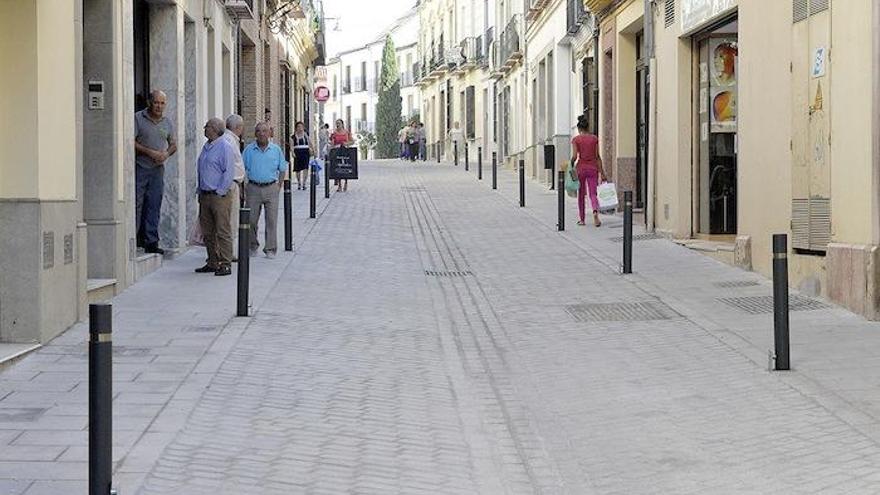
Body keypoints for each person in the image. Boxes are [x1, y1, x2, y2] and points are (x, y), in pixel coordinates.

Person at [134, 90, 177, 255]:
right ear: (149, 102)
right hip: (140, 167)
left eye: (162, 103)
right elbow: (131, 142)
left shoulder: (167, 123)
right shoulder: (138, 118)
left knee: (154, 204)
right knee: (137, 204)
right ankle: (134, 239)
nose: (159, 106)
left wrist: (166, 154)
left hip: (157, 170)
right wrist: (150, 152)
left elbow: (173, 144)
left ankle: (151, 242)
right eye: (156, 102)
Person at [195, 118, 237, 276]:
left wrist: (220, 191)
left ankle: (225, 263)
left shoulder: (225, 147)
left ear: (214, 129)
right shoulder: (206, 146)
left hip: (219, 196)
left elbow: (229, 172)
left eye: (207, 126)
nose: (204, 128)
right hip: (205, 195)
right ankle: (212, 261)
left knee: (222, 230)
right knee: (208, 232)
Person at [243, 122, 288, 259]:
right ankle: (252, 245)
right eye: (258, 131)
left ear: (269, 133)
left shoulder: (276, 150)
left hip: (271, 188)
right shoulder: (248, 150)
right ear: (255, 134)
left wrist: (279, 185)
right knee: (251, 220)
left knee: (271, 220)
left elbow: (282, 168)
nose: (261, 133)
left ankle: (270, 248)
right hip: (253, 188)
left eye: (264, 131)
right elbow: (241, 168)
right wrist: (244, 186)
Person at [570, 114, 607, 227]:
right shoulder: (594, 139)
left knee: (581, 194)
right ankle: (595, 211)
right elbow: (597, 157)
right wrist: (602, 173)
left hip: (581, 169)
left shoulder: (576, 140)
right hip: (593, 168)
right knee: (593, 193)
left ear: (579, 128)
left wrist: (571, 164)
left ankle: (582, 219)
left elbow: (575, 156)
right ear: (588, 127)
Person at [223, 114, 246, 260]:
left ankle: (228, 251)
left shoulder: (230, 139)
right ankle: (228, 252)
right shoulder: (229, 140)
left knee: (231, 219)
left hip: (233, 183)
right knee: (231, 220)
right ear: (238, 127)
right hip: (230, 184)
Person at [330, 119, 354, 192]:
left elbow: (352, 141)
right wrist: (332, 144)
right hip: (337, 151)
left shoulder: (346, 132)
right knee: (338, 168)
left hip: (345, 151)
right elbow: (332, 143)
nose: (338, 125)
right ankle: (339, 185)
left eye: (339, 123)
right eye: (336, 123)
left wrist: (346, 143)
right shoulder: (334, 133)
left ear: (342, 124)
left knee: (345, 167)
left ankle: (346, 183)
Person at [290, 122, 314, 190]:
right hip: (297, 153)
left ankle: (304, 183)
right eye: (298, 127)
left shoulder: (306, 135)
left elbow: (310, 143)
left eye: (301, 126)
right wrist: (292, 152)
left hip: (305, 152)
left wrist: (313, 150)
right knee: (298, 169)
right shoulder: (293, 137)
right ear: (296, 128)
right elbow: (292, 145)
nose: (300, 128)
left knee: (305, 168)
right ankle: (299, 183)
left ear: (303, 127)